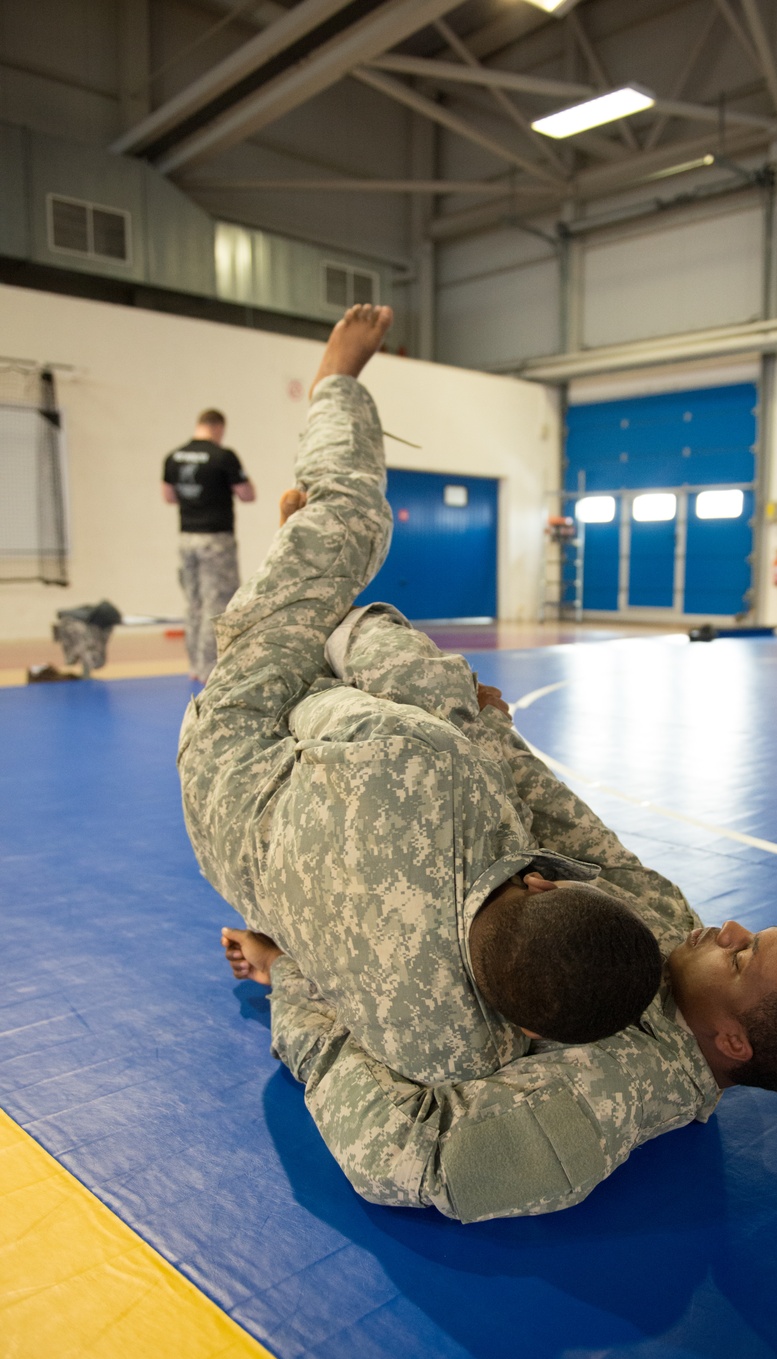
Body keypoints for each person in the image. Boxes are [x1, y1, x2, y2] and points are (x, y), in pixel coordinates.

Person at [183, 303, 777, 1222]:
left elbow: (416, 1161)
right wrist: (488, 731)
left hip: (291, 800)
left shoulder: (612, 1094)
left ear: (732, 1044)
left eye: (746, 957)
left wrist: (301, 981)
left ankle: (322, 566)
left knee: (360, 635)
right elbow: (567, 826)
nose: (733, 928)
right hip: (369, 824)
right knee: (432, 704)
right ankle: (323, 603)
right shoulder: (669, 927)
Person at [177, 305, 666, 1092]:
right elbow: (332, 1043)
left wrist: (341, 632)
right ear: (532, 1031)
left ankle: (335, 385)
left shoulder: (436, 773)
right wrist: (282, 969)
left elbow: (318, 705)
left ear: (542, 882)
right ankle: (303, 586)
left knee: (347, 526)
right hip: (237, 866)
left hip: (235, 745)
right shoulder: (451, 1053)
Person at [162, 408, 256, 683]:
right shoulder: (222, 456)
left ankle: (194, 665)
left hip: (186, 537)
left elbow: (168, 496)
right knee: (217, 604)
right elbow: (247, 494)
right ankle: (210, 668)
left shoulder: (173, 457)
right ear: (219, 427)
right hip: (216, 539)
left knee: (193, 603)